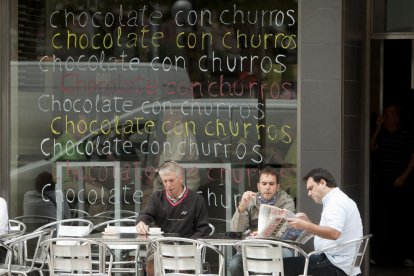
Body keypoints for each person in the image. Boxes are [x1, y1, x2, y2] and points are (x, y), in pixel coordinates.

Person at [283, 168, 363, 276]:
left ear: (322, 183)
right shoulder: (337, 199)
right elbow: (330, 231)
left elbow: (334, 233)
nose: (309, 194)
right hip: (337, 261)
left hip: (335, 264)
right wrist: (308, 223)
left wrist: (306, 225)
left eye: (311, 188)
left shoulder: (336, 202)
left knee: (281, 266)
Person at [135, 161, 210, 276]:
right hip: (160, 245)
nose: (168, 185)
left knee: (183, 270)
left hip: (187, 245)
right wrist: (141, 222)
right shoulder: (157, 197)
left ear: (180, 178)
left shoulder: (196, 200)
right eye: (165, 181)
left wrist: (187, 246)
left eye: (171, 180)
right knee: (151, 267)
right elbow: (145, 214)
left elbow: (203, 230)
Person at [229, 166, 296, 276]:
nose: (267, 187)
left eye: (271, 184)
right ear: (258, 186)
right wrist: (241, 207)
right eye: (264, 184)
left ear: (278, 186)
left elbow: (287, 230)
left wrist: (262, 234)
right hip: (252, 246)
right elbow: (236, 230)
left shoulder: (287, 201)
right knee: (234, 264)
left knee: (288, 258)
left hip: (278, 247)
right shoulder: (249, 200)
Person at [370, 104, 414, 265]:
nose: (385, 118)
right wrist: (377, 128)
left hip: (399, 182)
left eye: (388, 115)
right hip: (383, 181)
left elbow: (413, 158)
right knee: (382, 218)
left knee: (399, 219)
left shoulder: (405, 134)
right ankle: (380, 256)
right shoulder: (382, 134)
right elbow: (370, 148)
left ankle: (402, 256)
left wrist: (403, 177)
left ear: (396, 117)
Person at [53, 114, 110, 216]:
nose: (84, 131)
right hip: (67, 184)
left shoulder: (78, 143)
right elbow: (77, 172)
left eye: (86, 128)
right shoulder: (65, 143)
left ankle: (99, 223)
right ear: (71, 126)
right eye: (82, 127)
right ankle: (95, 228)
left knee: (109, 193)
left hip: (78, 182)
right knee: (102, 195)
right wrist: (95, 183)